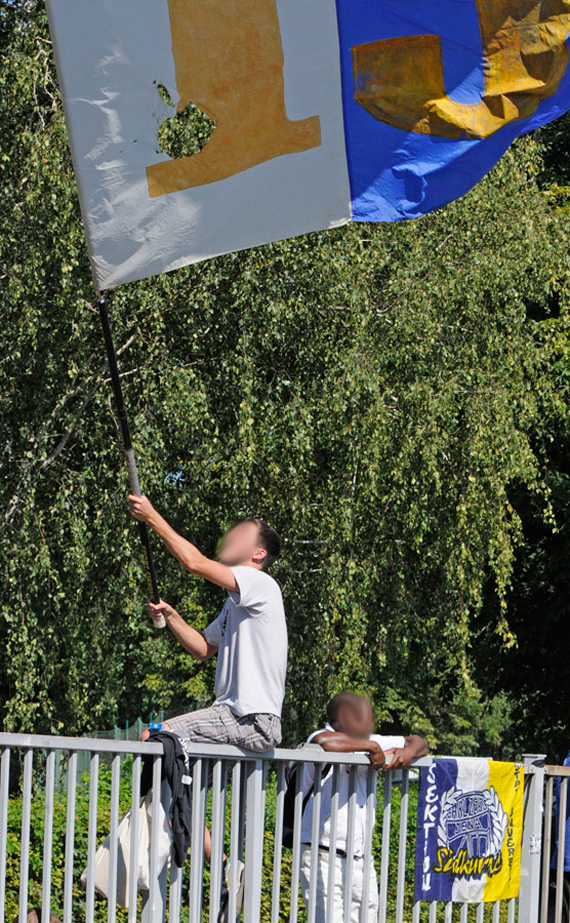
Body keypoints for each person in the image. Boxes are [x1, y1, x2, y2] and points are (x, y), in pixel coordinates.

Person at [128, 497, 287, 919]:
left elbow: (195, 563)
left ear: (258, 553)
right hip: (236, 718)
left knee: (155, 736)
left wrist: (152, 517)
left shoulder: (259, 584)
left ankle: (178, 868)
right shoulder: (234, 603)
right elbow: (202, 647)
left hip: (247, 717)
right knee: (177, 789)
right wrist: (172, 616)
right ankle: (223, 869)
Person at [299, 692, 428, 923]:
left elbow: (419, 742)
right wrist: (372, 747)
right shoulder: (319, 737)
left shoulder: (368, 738)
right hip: (322, 855)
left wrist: (407, 752)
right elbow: (326, 743)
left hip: (361, 859)